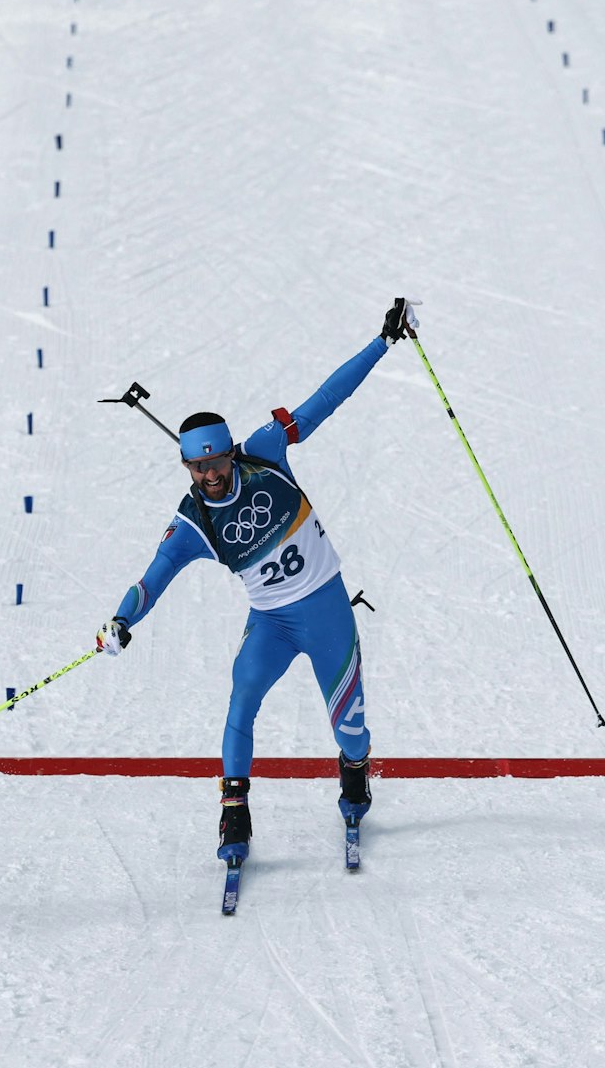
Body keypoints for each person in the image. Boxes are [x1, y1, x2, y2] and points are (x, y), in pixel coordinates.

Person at [97, 299, 417, 864]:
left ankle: (355, 771)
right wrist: (122, 619)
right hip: (270, 621)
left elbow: (325, 399)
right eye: (199, 468)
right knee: (241, 698)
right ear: (187, 468)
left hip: (325, 610)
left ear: (228, 453)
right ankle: (234, 813)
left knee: (351, 727)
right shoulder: (193, 522)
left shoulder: (265, 452)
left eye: (216, 461)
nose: (211, 475)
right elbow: (153, 578)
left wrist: (382, 342)